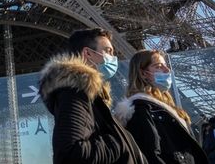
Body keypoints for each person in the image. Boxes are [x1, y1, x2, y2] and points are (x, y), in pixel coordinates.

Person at [39, 28, 146, 164]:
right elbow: (69, 154)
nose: (113, 57)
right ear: (87, 53)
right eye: (107, 51)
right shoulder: (75, 93)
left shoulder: (89, 96)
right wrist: (119, 141)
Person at [114, 50, 208, 164]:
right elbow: (151, 153)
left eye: (166, 65)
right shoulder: (141, 109)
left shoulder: (162, 108)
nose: (167, 70)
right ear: (143, 73)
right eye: (158, 66)